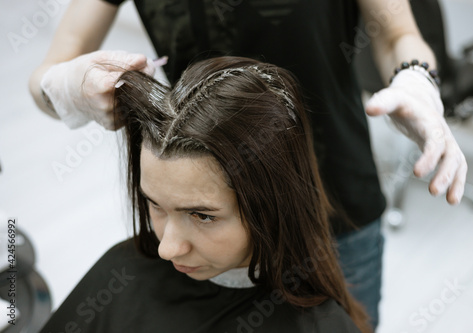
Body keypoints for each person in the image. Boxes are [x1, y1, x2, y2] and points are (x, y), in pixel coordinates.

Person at [29, 0, 468, 328]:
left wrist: (416, 77)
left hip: (335, 202)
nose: (165, 248)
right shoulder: (172, 243)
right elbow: (49, 70)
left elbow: (398, 36)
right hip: (200, 192)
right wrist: (63, 83)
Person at [40, 56, 371, 332]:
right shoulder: (122, 272)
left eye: (202, 215)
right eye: (154, 205)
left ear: (272, 205)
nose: (168, 248)